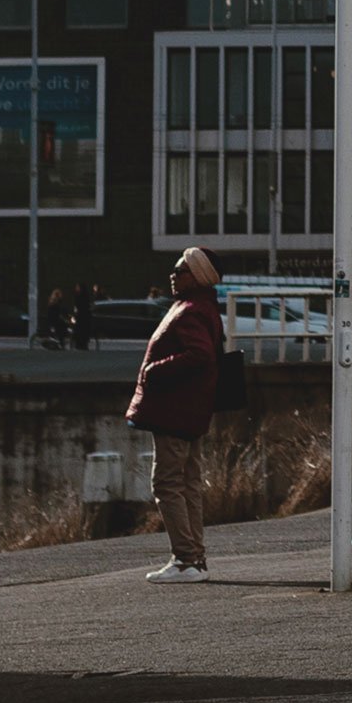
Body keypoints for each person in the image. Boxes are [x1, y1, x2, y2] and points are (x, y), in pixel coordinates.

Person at [125, 247, 225, 581]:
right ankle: (194, 557)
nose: (173, 274)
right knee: (189, 484)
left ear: (196, 275)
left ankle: (186, 560)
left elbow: (200, 355)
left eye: (179, 269)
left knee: (167, 483)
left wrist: (154, 370)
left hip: (175, 410)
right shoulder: (201, 306)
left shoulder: (191, 310)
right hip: (189, 410)